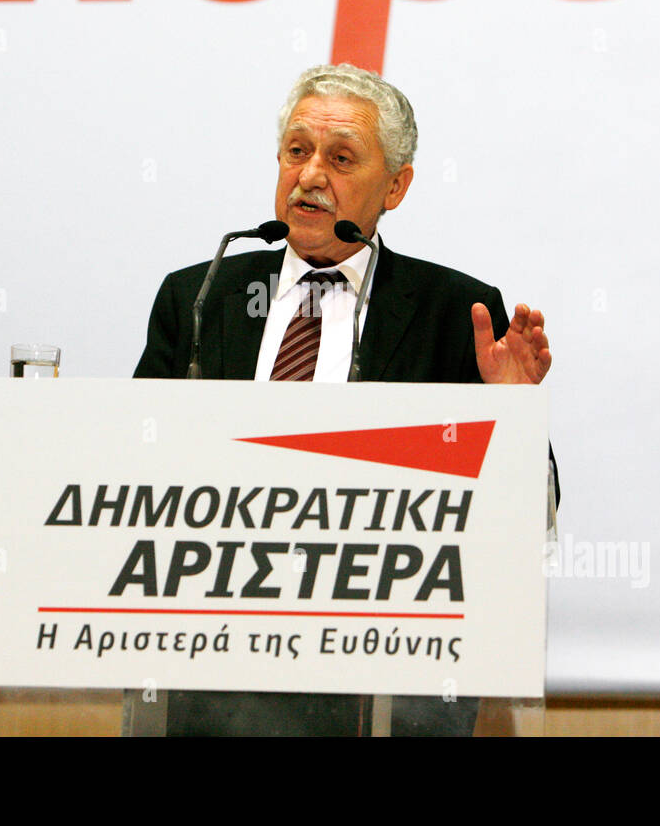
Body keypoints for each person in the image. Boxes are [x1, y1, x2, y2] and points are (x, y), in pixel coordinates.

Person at [134, 63, 557, 735]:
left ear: (396, 185)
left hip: (392, 678)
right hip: (215, 670)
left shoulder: (453, 312)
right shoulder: (200, 295)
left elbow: (527, 517)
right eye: (296, 151)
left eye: (340, 158)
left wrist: (512, 416)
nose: (309, 176)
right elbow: (131, 468)